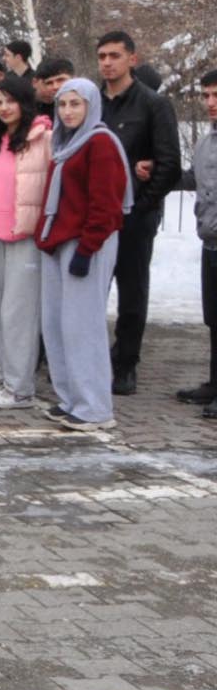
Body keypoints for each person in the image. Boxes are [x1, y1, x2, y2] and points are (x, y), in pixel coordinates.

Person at [36, 79, 131, 432]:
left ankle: (94, 406)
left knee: (82, 326)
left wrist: (88, 249)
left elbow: (105, 203)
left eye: (76, 104)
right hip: (59, 240)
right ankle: (71, 398)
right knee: (57, 324)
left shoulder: (100, 142)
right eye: (62, 105)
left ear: (91, 105)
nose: (68, 111)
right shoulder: (66, 143)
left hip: (86, 243)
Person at [95, 30, 182, 395]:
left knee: (132, 294)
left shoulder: (152, 104)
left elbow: (169, 164)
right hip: (96, 216)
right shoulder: (92, 103)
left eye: (114, 55)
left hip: (134, 217)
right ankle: (92, 360)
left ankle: (126, 363)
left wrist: (142, 207)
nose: (107, 63)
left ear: (132, 58)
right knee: (91, 294)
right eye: (101, 56)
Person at [0, 75, 53, 410]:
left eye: (11, 100)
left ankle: (21, 388)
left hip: (27, 237)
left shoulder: (43, 137)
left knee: (18, 313)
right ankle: (5, 376)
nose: (5, 108)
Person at [180, 71, 217, 417]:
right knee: (213, 317)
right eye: (206, 95)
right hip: (210, 240)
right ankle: (213, 382)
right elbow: (195, 177)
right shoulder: (207, 140)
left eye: (216, 95)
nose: (210, 103)